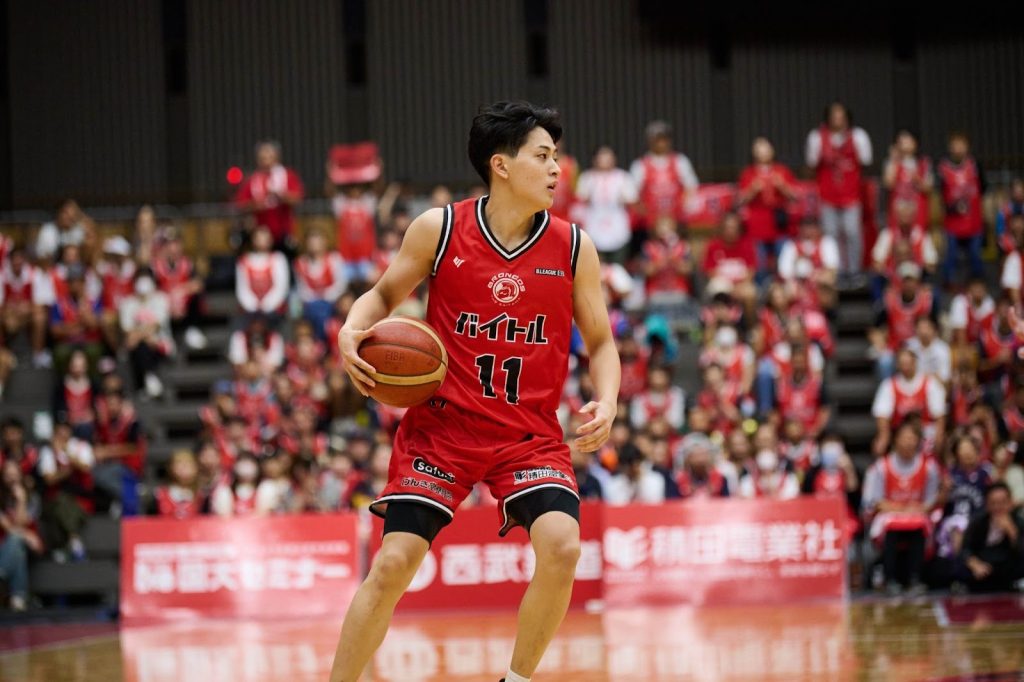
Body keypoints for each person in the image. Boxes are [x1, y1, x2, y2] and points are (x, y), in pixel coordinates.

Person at [331, 101, 619, 682]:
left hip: (528, 435)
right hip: (443, 430)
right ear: (501, 165)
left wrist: (608, 399)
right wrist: (351, 329)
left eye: (557, 157)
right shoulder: (439, 229)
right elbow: (382, 295)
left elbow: (601, 342)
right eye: (543, 156)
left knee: (563, 547)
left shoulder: (573, 246)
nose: (557, 169)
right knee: (392, 564)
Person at [862, 422, 941, 595]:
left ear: (918, 441)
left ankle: (915, 578)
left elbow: (931, 501)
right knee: (891, 527)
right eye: (904, 438)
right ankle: (889, 579)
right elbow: (874, 501)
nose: (908, 443)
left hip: (918, 515)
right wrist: (901, 510)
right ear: (895, 440)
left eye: (912, 438)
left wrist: (917, 510)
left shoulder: (929, 467)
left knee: (919, 526)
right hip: (889, 517)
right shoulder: (881, 467)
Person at [805, 102, 872, 282]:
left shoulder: (858, 136)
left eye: (841, 116)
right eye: (834, 116)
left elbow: (866, 163)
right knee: (831, 235)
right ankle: (837, 271)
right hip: (827, 196)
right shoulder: (817, 137)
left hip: (851, 195)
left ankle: (855, 271)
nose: (837, 120)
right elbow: (811, 165)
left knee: (852, 232)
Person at [630, 120, 699, 249]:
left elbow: (691, 187)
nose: (661, 143)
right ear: (650, 141)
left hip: (676, 222)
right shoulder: (640, 166)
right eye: (657, 140)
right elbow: (633, 195)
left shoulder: (680, 162)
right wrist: (646, 214)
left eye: (664, 139)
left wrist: (683, 208)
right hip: (650, 225)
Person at [737, 137, 797, 278]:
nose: (763, 153)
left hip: (779, 225)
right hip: (757, 227)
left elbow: (795, 197)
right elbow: (740, 201)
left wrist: (782, 186)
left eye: (766, 149)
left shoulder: (782, 170)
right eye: (759, 150)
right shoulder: (748, 173)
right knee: (760, 264)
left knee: (784, 263)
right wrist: (752, 190)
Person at [234, 140, 304, 252]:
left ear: (277, 158)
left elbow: (297, 198)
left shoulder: (287, 176)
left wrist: (281, 196)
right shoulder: (252, 179)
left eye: (269, 157)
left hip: (283, 231)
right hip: (260, 234)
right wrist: (256, 205)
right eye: (263, 158)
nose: (266, 161)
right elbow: (240, 204)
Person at [575, 145, 637, 264]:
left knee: (618, 265)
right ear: (594, 159)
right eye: (601, 157)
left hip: (618, 226)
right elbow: (580, 202)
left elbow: (632, 201)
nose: (605, 161)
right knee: (594, 264)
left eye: (608, 157)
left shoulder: (623, 177)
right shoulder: (587, 178)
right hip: (593, 226)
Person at [938, 131, 985, 286]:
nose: (958, 149)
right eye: (955, 145)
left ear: (967, 147)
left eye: (961, 145)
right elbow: (940, 194)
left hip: (973, 221)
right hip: (952, 222)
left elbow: (983, 188)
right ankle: (949, 283)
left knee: (975, 254)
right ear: (950, 148)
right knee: (951, 255)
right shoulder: (943, 169)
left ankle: (977, 284)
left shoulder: (975, 166)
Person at [119, 268, 173, 399]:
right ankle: (149, 377)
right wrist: (142, 336)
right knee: (140, 346)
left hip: (159, 344)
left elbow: (156, 326)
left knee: (144, 343)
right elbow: (127, 331)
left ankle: (146, 380)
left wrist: (140, 336)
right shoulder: (127, 303)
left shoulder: (161, 299)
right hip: (138, 346)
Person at [960, 482, 1024, 593]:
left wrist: (1011, 531)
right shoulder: (978, 521)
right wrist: (973, 562)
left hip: (1008, 571)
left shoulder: (1019, 522)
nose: (998, 507)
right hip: (982, 569)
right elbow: (965, 548)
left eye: (1003, 502)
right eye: (993, 503)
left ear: (1010, 502)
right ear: (987, 504)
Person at [0, 460, 43, 611]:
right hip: (5, 545)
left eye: (15, 474)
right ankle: (18, 597)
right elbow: (9, 528)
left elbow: (21, 523)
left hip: (30, 547)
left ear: (20, 475)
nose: (12, 478)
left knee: (18, 542)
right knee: (17, 545)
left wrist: (21, 500)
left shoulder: (32, 498)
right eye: (8, 475)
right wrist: (26, 535)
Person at [882, 130, 932, 230]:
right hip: (897, 213)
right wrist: (894, 161)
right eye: (901, 140)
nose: (904, 142)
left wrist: (917, 179)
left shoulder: (924, 163)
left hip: (918, 212)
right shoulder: (891, 162)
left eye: (907, 139)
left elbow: (928, 189)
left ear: (915, 143)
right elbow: (888, 184)